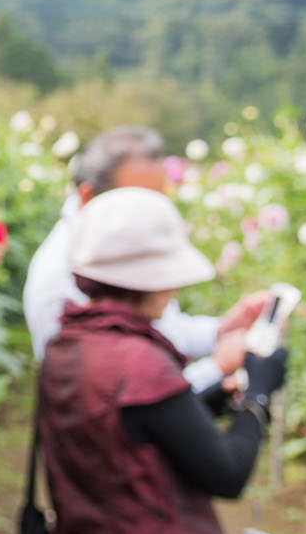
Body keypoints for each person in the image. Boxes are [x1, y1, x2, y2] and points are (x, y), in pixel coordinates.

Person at [34, 186, 285, 534]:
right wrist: (258, 392)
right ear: (159, 279)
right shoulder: (140, 363)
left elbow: (132, 431)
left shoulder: (70, 344)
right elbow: (227, 473)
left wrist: (218, 401)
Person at [24, 126, 264, 392]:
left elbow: (166, 330)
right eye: (139, 204)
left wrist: (221, 332)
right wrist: (217, 367)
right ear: (87, 197)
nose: (155, 217)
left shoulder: (123, 251)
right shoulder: (60, 276)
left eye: (160, 201)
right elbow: (108, 396)